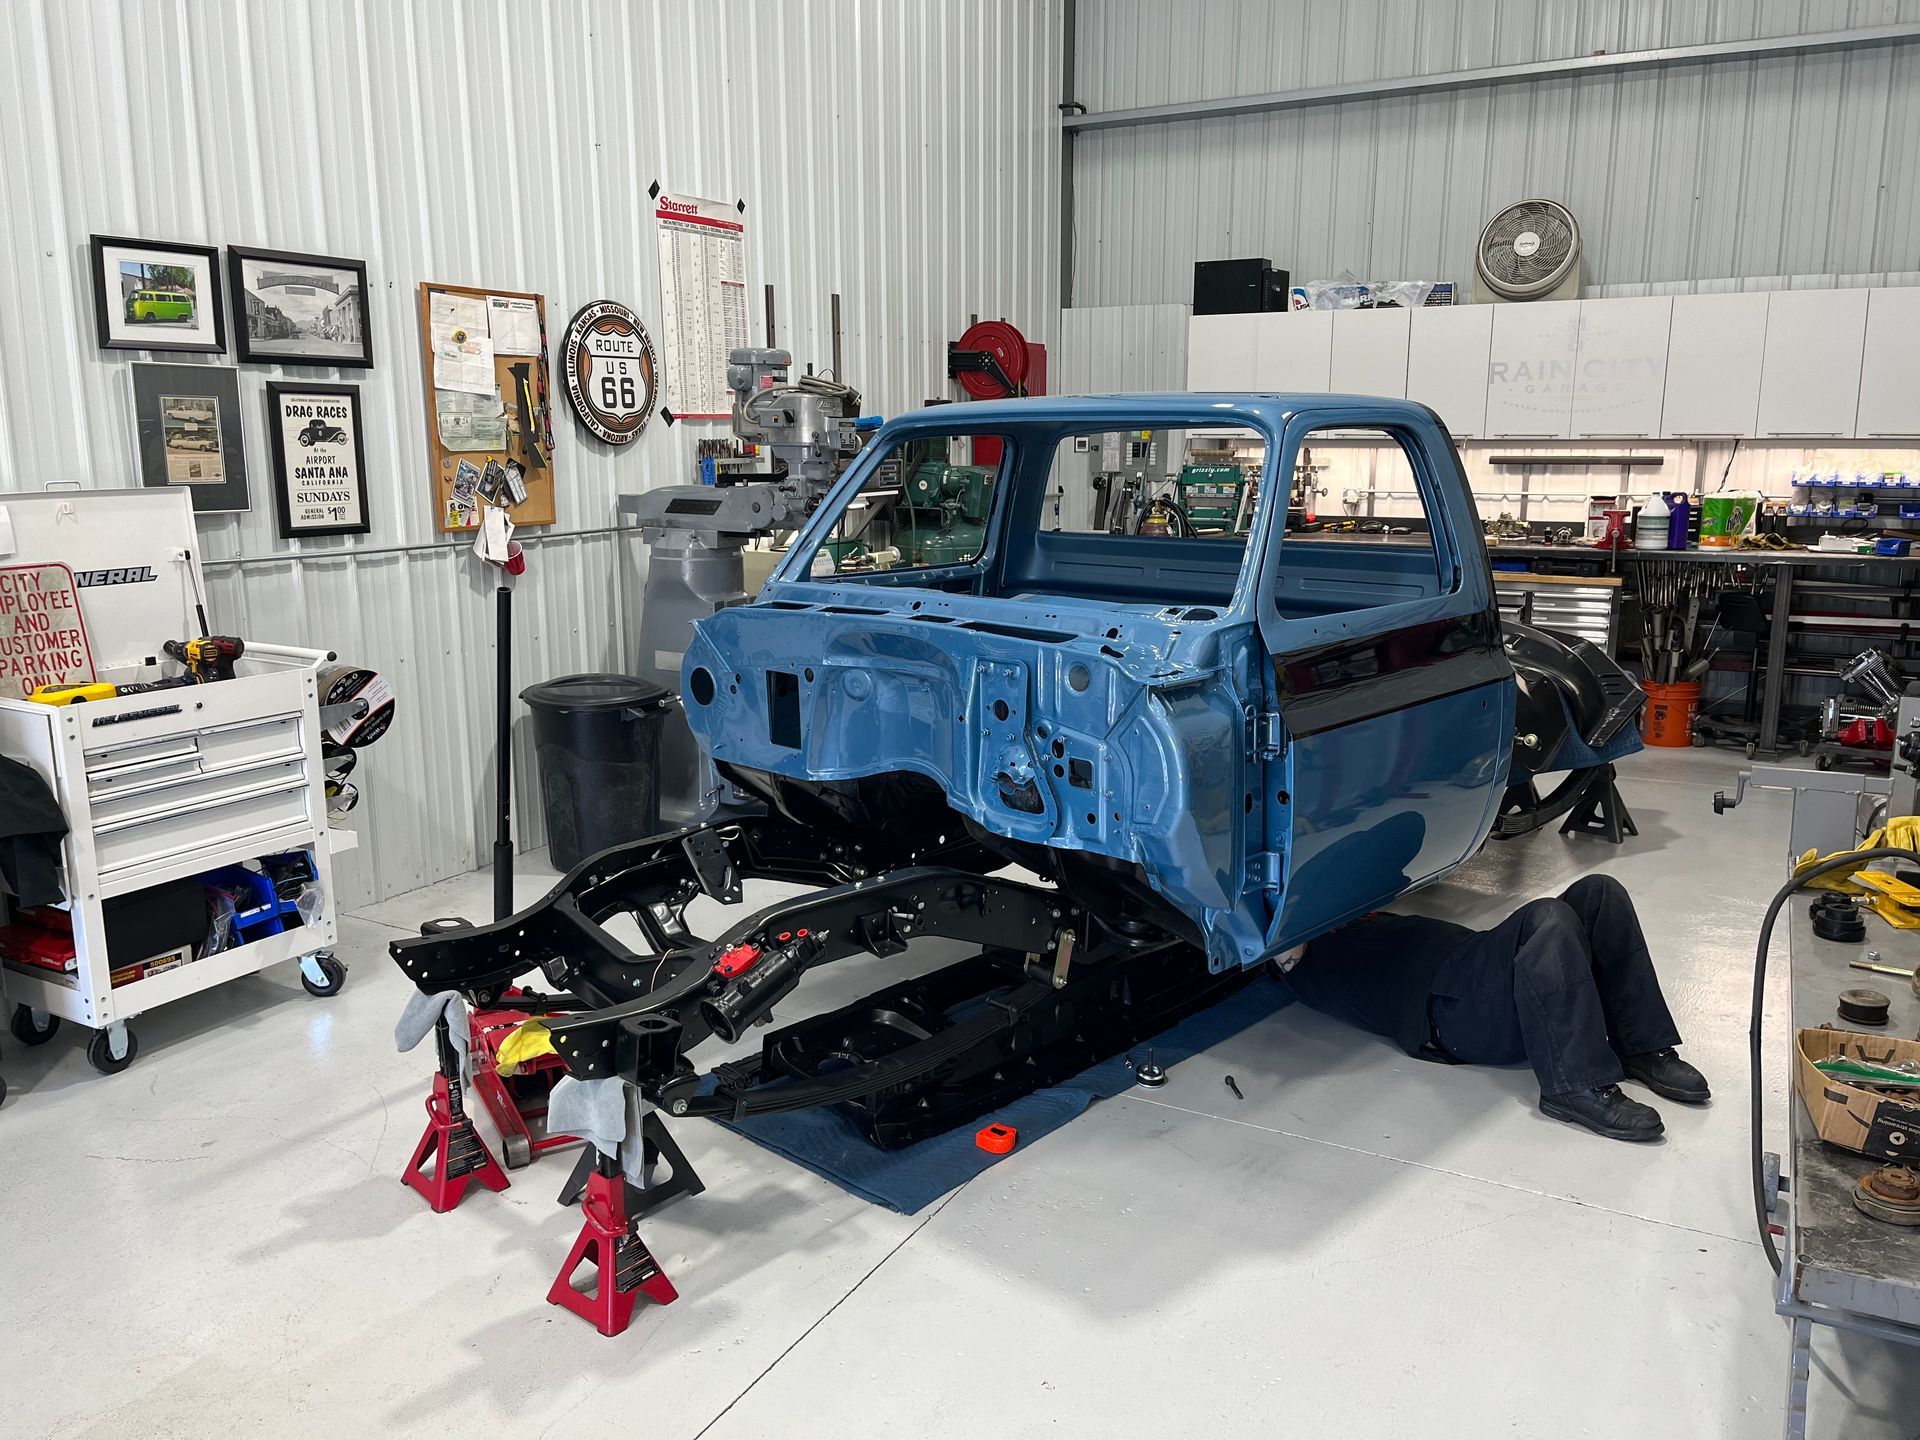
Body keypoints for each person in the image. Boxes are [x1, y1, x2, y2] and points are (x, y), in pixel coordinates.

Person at [1276, 875, 1709, 1142]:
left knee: (1600, 892)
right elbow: (1266, 930)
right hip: (1451, 1009)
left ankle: (1640, 1046)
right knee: (1546, 918)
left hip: (1480, 967)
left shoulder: (1360, 918)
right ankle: (1574, 1087)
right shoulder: (1302, 959)